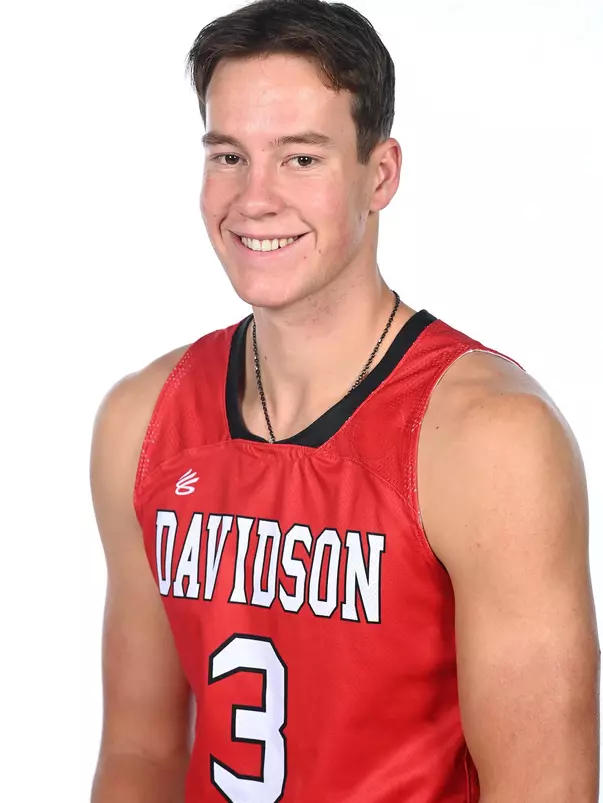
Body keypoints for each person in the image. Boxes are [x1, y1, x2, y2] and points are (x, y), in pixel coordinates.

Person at [89, 1, 600, 801]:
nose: (253, 198)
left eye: (299, 159)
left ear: (380, 174)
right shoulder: (141, 422)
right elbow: (139, 754)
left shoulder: (490, 440)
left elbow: (545, 791)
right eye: (228, 156)